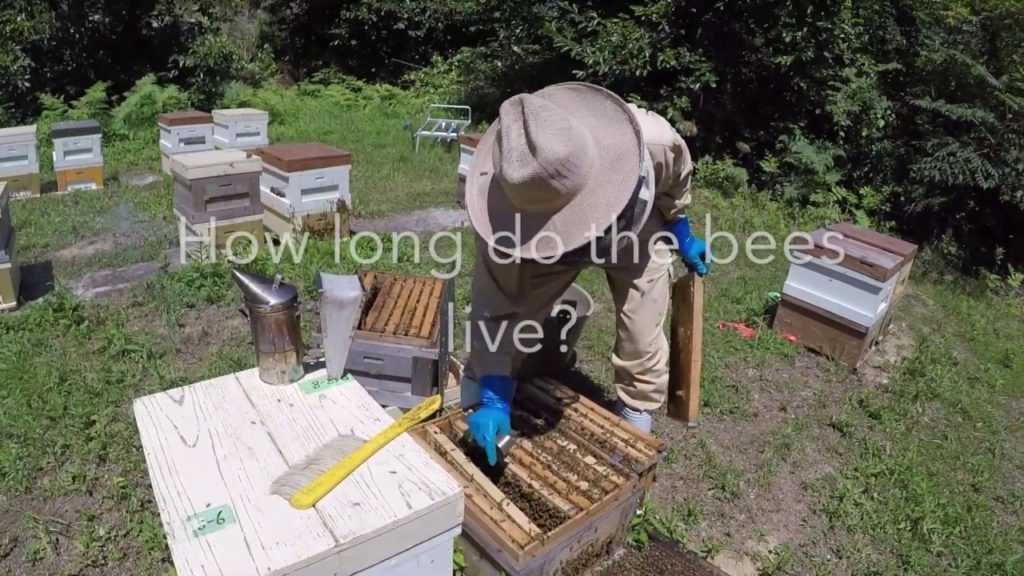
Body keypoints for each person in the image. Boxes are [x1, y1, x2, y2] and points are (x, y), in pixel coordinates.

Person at [462, 82, 707, 465]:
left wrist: (682, 231)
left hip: (635, 231)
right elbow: (496, 309)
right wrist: (492, 395)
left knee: (643, 330)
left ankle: (635, 420)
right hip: (540, 243)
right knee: (508, 330)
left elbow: (675, 181)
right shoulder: (503, 220)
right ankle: (492, 397)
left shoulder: (655, 141)